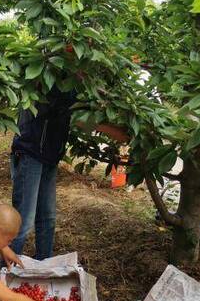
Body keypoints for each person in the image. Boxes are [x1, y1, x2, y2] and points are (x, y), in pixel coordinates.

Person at [9, 87, 129, 261]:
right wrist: (113, 130)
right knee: (23, 220)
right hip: (30, 151)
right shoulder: (51, 73)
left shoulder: (73, 82)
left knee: (47, 218)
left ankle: (44, 265)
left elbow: (83, 106)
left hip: (49, 154)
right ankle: (8, 272)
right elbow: (73, 114)